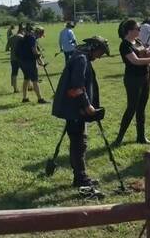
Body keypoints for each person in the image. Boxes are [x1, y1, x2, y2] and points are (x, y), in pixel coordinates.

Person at [52, 36, 109, 191]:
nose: (99, 57)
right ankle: (81, 178)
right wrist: (87, 105)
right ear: (93, 48)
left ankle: (80, 176)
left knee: (78, 142)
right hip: (75, 108)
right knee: (79, 143)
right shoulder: (81, 59)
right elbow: (77, 86)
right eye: (100, 53)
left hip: (74, 108)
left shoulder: (79, 56)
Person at [113, 20, 150, 146]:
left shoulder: (138, 41)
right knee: (131, 108)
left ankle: (141, 137)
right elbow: (135, 61)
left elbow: (144, 54)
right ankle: (119, 138)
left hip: (145, 77)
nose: (140, 30)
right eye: (138, 28)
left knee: (141, 108)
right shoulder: (125, 45)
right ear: (130, 30)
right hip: (133, 79)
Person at [17, 24, 48, 104]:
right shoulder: (32, 38)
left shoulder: (27, 36)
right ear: (39, 33)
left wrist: (40, 61)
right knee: (35, 80)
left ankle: (24, 98)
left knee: (26, 79)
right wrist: (40, 61)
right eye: (41, 35)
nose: (41, 37)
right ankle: (40, 99)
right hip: (29, 61)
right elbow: (34, 51)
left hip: (21, 61)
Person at [9, 26, 24, 94]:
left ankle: (15, 88)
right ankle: (29, 86)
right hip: (21, 58)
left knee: (14, 73)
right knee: (26, 73)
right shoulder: (22, 37)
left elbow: (7, 48)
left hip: (13, 58)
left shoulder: (11, 38)